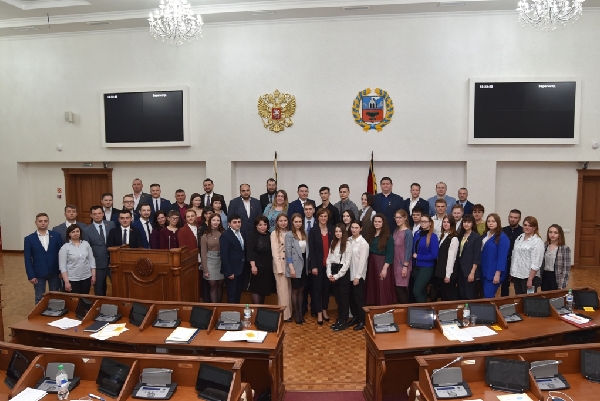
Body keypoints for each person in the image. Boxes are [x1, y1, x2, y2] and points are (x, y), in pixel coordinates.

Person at [24, 213, 62, 304]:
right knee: (39, 296)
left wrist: (61, 271)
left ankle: (54, 311)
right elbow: (27, 259)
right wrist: (31, 275)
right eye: (40, 221)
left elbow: (61, 254)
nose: (43, 223)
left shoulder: (56, 236)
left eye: (45, 221)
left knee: (55, 295)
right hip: (38, 272)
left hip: (55, 271)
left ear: (48, 222)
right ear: (36, 223)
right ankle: (39, 313)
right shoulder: (29, 239)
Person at [82, 205, 115, 296]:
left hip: (113, 261)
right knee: (99, 288)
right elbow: (87, 249)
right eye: (95, 214)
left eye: (99, 213)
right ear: (91, 215)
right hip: (98, 263)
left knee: (118, 285)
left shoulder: (111, 224)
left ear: (103, 214)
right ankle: (99, 304)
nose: (97, 215)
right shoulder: (87, 230)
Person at [307, 208, 333, 324]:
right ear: (317, 217)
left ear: (328, 217)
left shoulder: (332, 229)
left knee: (326, 290)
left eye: (325, 216)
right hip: (317, 266)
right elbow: (311, 250)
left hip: (329, 266)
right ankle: (318, 313)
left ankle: (324, 310)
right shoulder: (313, 231)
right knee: (317, 290)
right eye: (321, 216)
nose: (323, 218)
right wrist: (313, 266)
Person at [365, 213, 396, 305]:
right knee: (372, 286)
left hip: (381, 263)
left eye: (379, 222)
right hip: (371, 262)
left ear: (383, 223)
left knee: (381, 286)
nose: (377, 223)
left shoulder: (388, 236)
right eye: (375, 221)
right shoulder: (370, 235)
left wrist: (385, 269)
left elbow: (390, 253)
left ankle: (382, 309)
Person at [326, 223, 352, 331]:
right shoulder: (333, 242)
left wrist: (337, 276)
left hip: (342, 274)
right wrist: (329, 273)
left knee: (344, 298)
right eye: (336, 231)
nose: (338, 233)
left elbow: (347, 263)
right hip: (333, 271)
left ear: (343, 232)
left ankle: (344, 320)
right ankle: (339, 318)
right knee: (338, 298)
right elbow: (329, 259)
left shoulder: (347, 244)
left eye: (340, 231)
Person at [510, 216, 544, 295]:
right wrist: (512, 273)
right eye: (525, 225)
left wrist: (530, 279)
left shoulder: (537, 241)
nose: (527, 227)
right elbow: (514, 256)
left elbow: (536, 262)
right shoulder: (520, 237)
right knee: (519, 298)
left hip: (529, 276)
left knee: (529, 299)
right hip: (517, 274)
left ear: (535, 227)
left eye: (530, 226)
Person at [285, 213, 309, 324]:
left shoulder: (305, 233)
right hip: (295, 265)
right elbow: (288, 253)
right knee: (295, 290)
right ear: (292, 223)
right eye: (296, 222)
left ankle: (300, 313)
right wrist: (291, 268)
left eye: (300, 222)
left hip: (304, 264)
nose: (298, 224)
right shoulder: (289, 235)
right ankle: (296, 314)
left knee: (301, 290)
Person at [59, 225, 96, 294]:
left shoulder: (86, 244)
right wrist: (66, 282)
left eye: (77, 231)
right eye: (73, 232)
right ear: (69, 234)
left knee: (85, 298)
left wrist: (93, 276)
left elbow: (92, 260)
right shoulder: (65, 248)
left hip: (86, 277)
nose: (75, 233)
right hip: (72, 279)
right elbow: (62, 266)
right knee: (75, 299)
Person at [480, 213, 510, 298]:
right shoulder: (486, 234)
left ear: (498, 222)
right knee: (483, 295)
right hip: (483, 270)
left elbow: (502, 258)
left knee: (488, 295)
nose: (490, 223)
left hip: (493, 272)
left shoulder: (503, 237)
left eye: (493, 221)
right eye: (488, 221)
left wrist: (497, 274)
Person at [412, 214, 439, 303]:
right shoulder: (417, 233)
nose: (423, 223)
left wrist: (419, 257)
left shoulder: (433, 236)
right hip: (416, 266)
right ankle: (423, 309)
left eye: (425, 221)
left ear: (430, 223)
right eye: (421, 221)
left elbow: (434, 255)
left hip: (426, 267)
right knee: (422, 291)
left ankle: (424, 309)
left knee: (416, 291)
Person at [271, 214, 292, 321]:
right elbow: (275, 253)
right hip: (280, 265)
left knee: (289, 291)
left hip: (290, 265)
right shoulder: (274, 233)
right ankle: (284, 315)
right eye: (281, 221)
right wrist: (279, 268)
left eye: (285, 220)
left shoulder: (290, 232)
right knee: (282, 292)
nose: (283, 223)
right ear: (277, 222)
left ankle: (290, 313)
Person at [247, 216, 273, 304]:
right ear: (256, 226)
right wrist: (253, 266)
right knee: (256, 290)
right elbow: (250, 253)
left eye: (265, 224)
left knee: (263, 291)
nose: (263, 227)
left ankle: (261, 310)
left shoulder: (270, 235)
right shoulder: (252, 236)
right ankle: (256, 309)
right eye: (260, 225)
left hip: (268, 268)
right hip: (257, 268)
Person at [220, 214, 246, 303]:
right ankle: (231, 311)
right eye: (235, 222)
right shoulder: (225, 235)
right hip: (231, 270)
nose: (237, 224)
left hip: (241, 269)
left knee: (238, 293)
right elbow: (224, 255)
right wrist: (229, 272)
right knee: (232, 295)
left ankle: (237, 310)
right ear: (229, 224)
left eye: (239, 222)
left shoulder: (242, 232)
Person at [348, 221, 369, 330]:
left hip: (358, 276)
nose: (354, 229)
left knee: (358, 299)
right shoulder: (348, 240)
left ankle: (362, 321)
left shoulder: (363, 243)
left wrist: (357, 276)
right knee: (351, 298)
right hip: (348, 274)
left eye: (356, 228)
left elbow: (362, 262)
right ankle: (355, 317)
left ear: (361, 229)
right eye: (352, 227)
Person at [456, 214, 482, 300]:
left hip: (470, 269)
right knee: (461, 293)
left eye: (469, 222)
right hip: (460, 269)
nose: (466, 224)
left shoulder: (476, 237)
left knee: (470, 294)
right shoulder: (460, 236)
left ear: (472, 223)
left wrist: (472, 272)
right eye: (464, 222)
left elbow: (477, 256)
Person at [201, 214, 225, 302]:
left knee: (220, 284)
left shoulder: (224, 233)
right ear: (210, 221)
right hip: (210, 261)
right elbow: (203, 253)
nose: (216, 222)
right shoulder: (205, 236)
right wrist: (205, 270)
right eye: (214, 220)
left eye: (218, 220)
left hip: (221, 261)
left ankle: (219, 305)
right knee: (213, 284)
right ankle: (214, 307)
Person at [434, 215, 459, 301]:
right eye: (444, 222)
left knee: (449, 297)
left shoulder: (454, 238)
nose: (445, 224)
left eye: (448, 222)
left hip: (448, 273)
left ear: (452, 224)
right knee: (444, 297)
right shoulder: (443, 235)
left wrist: (448, 275)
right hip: (441, 271)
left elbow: (451, 258)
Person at [540, 224, 571, 291]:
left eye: (555, 233)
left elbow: (566, 269)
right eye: (550, 232)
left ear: (560, 234)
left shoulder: (564, 248)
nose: (552, 235)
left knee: (555, 296)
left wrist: (562, 285)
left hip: (556, 276)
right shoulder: (544, 245)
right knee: (545, 295)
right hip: (545, 275)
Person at [392, 210, 413, 304]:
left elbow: (408, 250)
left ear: (405, 218)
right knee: (397, 289)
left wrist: (405, 266)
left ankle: (406, 310)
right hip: (395, 264)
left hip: (403, 265)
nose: (397, 219)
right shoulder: (396, 231)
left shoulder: (408, 232)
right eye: (396, 217)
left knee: (401, 288)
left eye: (400, 217)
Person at [501, 209, 523, 296]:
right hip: (505, 261)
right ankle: (504, 302)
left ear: (519, 219)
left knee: (518, 285)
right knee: (504, 285)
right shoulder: (503, 230)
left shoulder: (522, 232)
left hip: (517, 262)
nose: (512, 219)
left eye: (515, 218)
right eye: (511, 217)